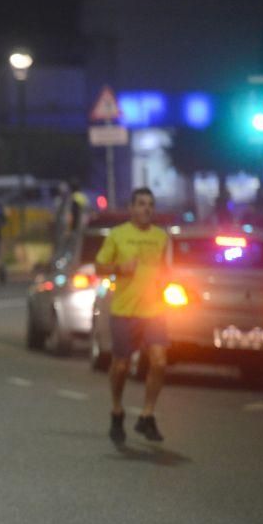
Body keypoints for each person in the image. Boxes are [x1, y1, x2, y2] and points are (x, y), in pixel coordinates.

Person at [94, 187, 169, 444]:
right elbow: (99, 266)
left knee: (159, 361)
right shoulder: (117, 235)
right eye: (141, 204)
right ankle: (117, 410)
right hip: (124, 310)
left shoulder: (162, 237)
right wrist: (119, 268)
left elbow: (168, 269)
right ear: (131, 208)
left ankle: (147, 415)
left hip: (154, 309)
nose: (146, 209)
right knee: (122, 365)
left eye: (150, 204)